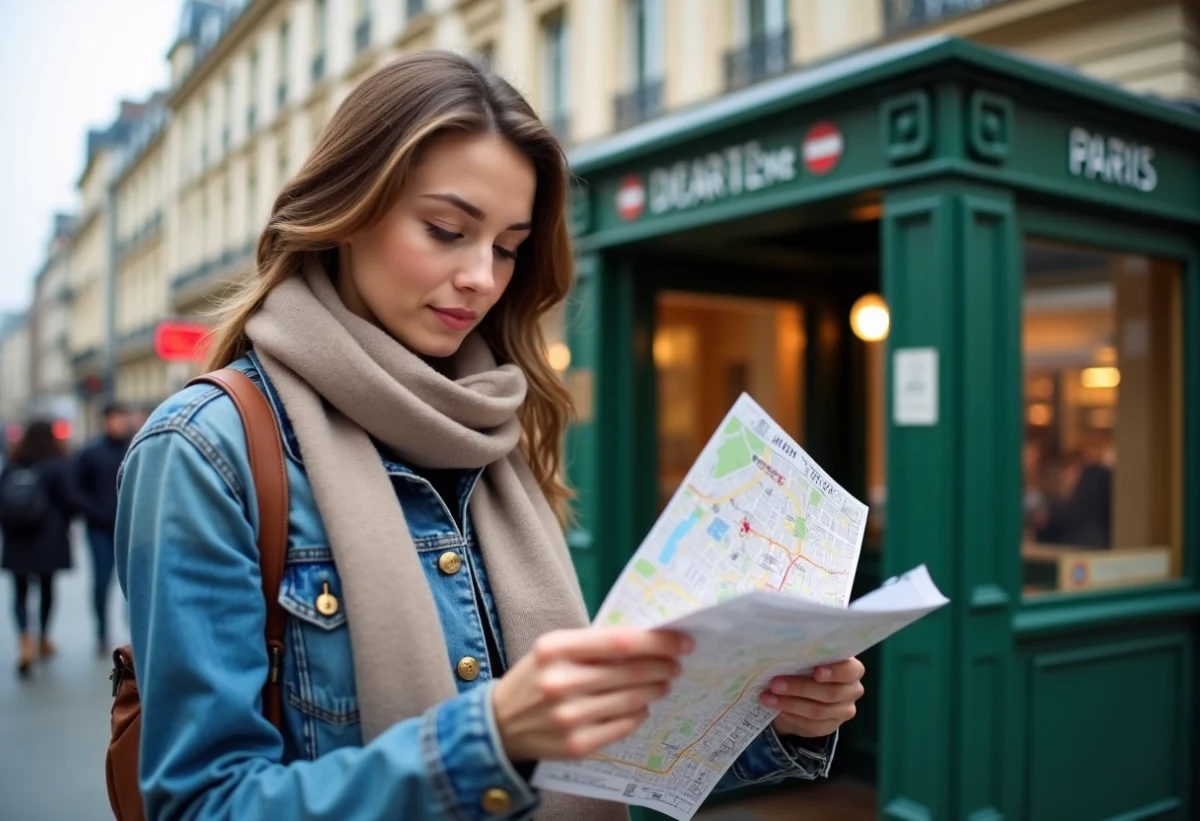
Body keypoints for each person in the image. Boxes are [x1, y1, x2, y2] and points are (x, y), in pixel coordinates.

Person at [115, 51, 865, 820]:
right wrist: (489, 740)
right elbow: (202, 804)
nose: (482, 275)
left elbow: (594, 763)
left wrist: (769, 716)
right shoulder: (207, 450)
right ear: (347, 211)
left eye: (507, 247)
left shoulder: (495, 424)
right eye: (447, 229)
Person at [1, 421, 75, 677]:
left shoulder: (13, 464)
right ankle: (43, 638)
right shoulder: (57, 465)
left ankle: (24, 641)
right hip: (48, 536)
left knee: (19, 591)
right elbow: (69, 500)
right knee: (46, 587)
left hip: (18, 537)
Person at [70, 402, 131, 653]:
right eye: (115, 418)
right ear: (106, 421)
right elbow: (75, 489)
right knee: (102, 581)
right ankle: (101, 631)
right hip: (99, 529)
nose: (120, 423)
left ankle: (134, 631)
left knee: (134, 580)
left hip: (130, 527)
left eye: (122, 418)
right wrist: (96, 512)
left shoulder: (134, 447)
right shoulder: (91, 452)